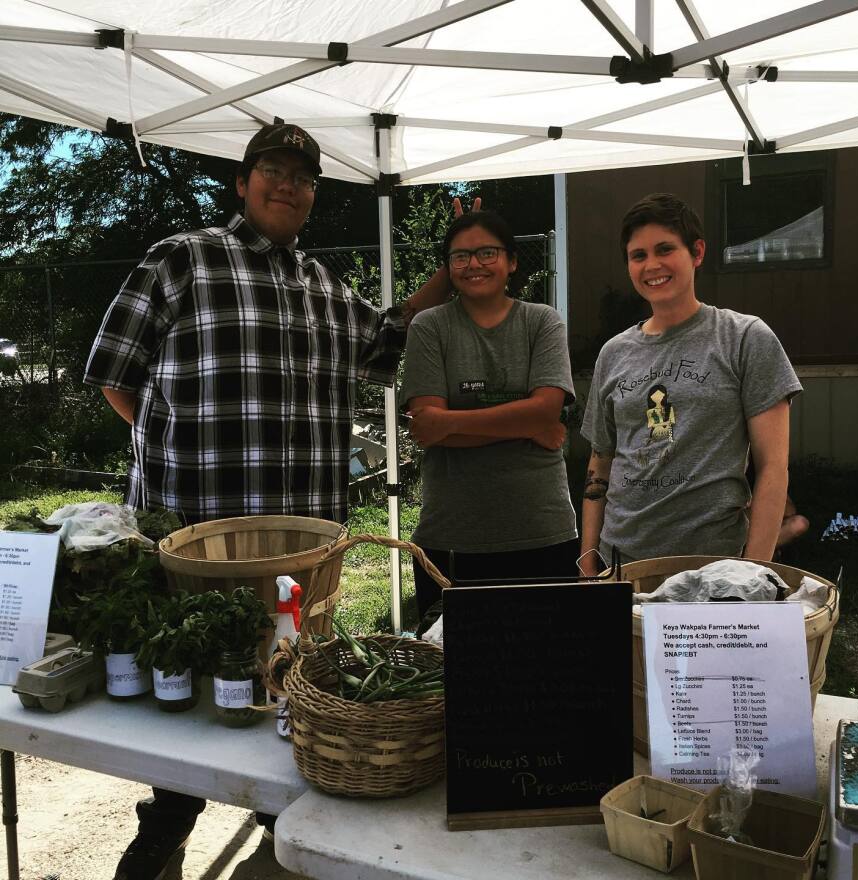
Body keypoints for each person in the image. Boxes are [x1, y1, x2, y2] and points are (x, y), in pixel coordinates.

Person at [84, 122, 452, 880]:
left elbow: (389, 338)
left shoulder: (324, 285)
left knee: (288, 679)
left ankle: (277, 821)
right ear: (244, 181)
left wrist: (453, 269)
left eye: (304, 177)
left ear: (314, 194)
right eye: (274, 170)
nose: (289, 185)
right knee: (187, 698)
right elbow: (116, 375)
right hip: (200, 543)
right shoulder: (182, 259)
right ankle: (169, 823)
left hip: (299, 552)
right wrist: (169, 445)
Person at [578, 193, 802, 575]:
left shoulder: (745, 338)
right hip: (622, 564)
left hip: (714, 565)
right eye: (639, 255)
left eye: (665, 249)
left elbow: (773, 467)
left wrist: (753, 572)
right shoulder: (613, 354)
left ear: (697, 252)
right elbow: (600, 463)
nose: (652, 265)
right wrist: (587, 565)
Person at [401, 210, 579, 615]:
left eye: (487, 252)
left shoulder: (542, 322)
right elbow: (425, 428)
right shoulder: (429, 327)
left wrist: (451, 422)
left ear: (512, 261)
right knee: (453, 671)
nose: (473, 264)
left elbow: (545, 411)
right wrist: (528, 425)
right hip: (451, 538)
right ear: (448, 268)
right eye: (460, 257)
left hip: (543, 531)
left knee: (548, 665)